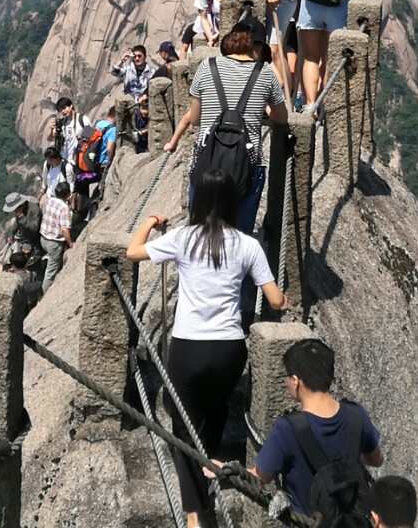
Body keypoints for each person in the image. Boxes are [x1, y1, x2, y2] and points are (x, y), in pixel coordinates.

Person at [126, 169, 287, 528]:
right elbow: (275, 300)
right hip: (229, 350)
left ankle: (195, 516)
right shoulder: (248, 245)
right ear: (233, 201)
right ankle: (208, 474)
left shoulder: (184, 238)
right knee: (213, 415)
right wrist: (284, 299)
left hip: (188, 348)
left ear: (197, 199)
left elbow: (131, 251)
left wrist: (151, 221)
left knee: (183, 431)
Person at [164, 15, 287, 233]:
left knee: (199, 232)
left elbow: (194, 119)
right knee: (239, 235)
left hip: (206, 160)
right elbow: (281, 117)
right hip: (247, 164)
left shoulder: (206, 66)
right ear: (257, 46)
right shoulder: (266, 73)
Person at [252, 338, 383, 517]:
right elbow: (376, 460)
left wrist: (225, 469)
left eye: (287, 377)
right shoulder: (356, 414)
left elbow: (262, 476)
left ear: (295, 381)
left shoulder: (287, 428)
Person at [40, 179, 74, 293]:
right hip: (53, 242)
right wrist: (71, 244)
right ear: (68, 194)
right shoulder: (64, 208)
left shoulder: (50, 200)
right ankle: (45, 295)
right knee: (51, 272)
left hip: (43, 238)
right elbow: (64, 229)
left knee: (52, 264)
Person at [0, 191, 43, 271]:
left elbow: (34, 229)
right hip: (24, 238)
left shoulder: (34, 210)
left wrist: (22, 217)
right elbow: (17, 223)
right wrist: (11, 233)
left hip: (35, 239)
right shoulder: (19, 211)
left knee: (31, 264)